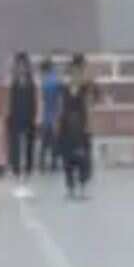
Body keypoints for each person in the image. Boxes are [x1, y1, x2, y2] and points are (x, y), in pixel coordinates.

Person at [57, 54, 95, 199]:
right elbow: (61, 108)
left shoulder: (85, 89)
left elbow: (88, 106)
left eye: (78, 72)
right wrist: (59, 124)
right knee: (68, 158)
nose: (75, 75)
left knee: (83, 158)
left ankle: (82, 187)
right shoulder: (64, 89)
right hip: (67, 126)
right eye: (73, 72)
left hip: (81, 125)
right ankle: (70, 187)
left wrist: (89, 125)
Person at [6, 52, 38, 183]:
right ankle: (16, 169)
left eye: (23, 66)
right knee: (15, 144)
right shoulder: (13, 84)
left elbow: (34, 102)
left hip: (29, 117)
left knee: (29, 144)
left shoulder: (31, 84)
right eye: (18, 66)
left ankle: (28, 169)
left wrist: (34, 117)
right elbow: (11, 102)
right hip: (16, 117)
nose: (21, 68)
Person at [38, 58, 63, 173]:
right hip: (54, 115)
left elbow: (43, 98)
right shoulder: (56, 80)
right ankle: (53, 164)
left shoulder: (45, 81)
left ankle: (42, 164)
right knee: (54, 141)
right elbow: (59, 99)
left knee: (44, 141)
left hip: (46, 115)